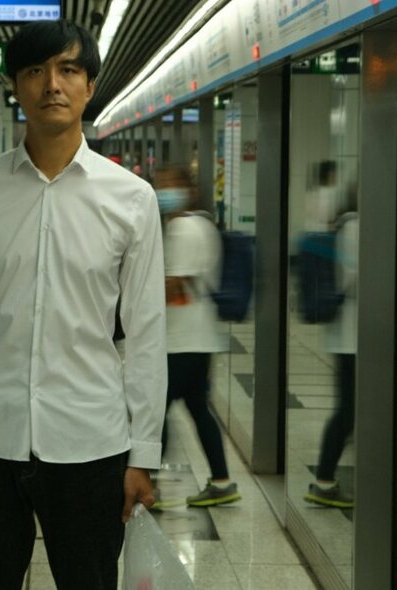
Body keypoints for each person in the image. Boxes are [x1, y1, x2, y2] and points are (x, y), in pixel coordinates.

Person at [0, 19, 167, 589]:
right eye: (35, 71)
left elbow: (147, 332)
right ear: (15, 86)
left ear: (89, 86)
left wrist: (143, 453)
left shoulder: (131, 200)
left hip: (92, 442)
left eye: (68, 70)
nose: (51, 85)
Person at [152, 164, 241, 508]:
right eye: (160, 184)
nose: (162, 191)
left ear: (187, 190)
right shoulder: (204, 224)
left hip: (182, 340)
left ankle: (152, 486)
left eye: (168, 183)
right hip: (199, 337)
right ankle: (221, 481)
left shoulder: (183, 229)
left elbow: (175, 287)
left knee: (155, 408)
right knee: (197, 408)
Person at [305, 186, 359, 508]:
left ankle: (326, 477)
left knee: (349, 410)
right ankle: (324, 479)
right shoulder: (354, 227)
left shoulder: (348, 225)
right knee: (347, 411)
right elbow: (351, 277)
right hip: (353, 337)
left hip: (351, 335)